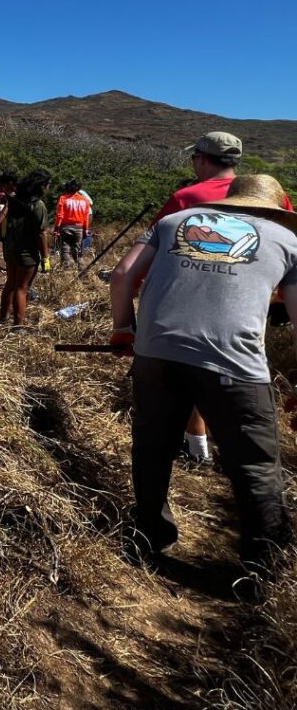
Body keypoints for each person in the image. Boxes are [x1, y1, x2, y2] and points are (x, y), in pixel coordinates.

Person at [109, 174, 297, 578]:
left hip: (156, 353)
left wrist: (124, 328)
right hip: (235, 366)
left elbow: (123, 275)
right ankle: (263, 570)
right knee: (256, 467)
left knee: (153, 448)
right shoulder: (288, 241)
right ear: (274, 209)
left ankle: (147, 540)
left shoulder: (176, 221)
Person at [152, 132, 294, 465]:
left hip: (192, 302)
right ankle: (240, 449)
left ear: (201, 158)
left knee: (193, 371)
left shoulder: (187, 197)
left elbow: (154, 251)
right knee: (242, 370)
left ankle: (197, 441)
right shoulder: (272, 197)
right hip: (259, 300)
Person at [0, 169, 52, 327]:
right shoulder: (38, 205)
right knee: (22, 288)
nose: (48, 189)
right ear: (41, 187)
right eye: (47, 185)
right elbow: (40, 234)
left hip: (10, 247)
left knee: (10, 284)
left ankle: (2, 318)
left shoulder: (14, 199)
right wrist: (46, 258)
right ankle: (18, 326)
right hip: (26, 252)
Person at [53, 179, 93, 265]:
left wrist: (56, 228)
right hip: (79, 227)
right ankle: (79, 267)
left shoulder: (63, 198)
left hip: (65, 227)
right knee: (77, 249)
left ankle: (66, 268)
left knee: (65, 249)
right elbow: (86, 217)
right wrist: (85, 229)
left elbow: (60, 215)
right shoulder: (85, 200)